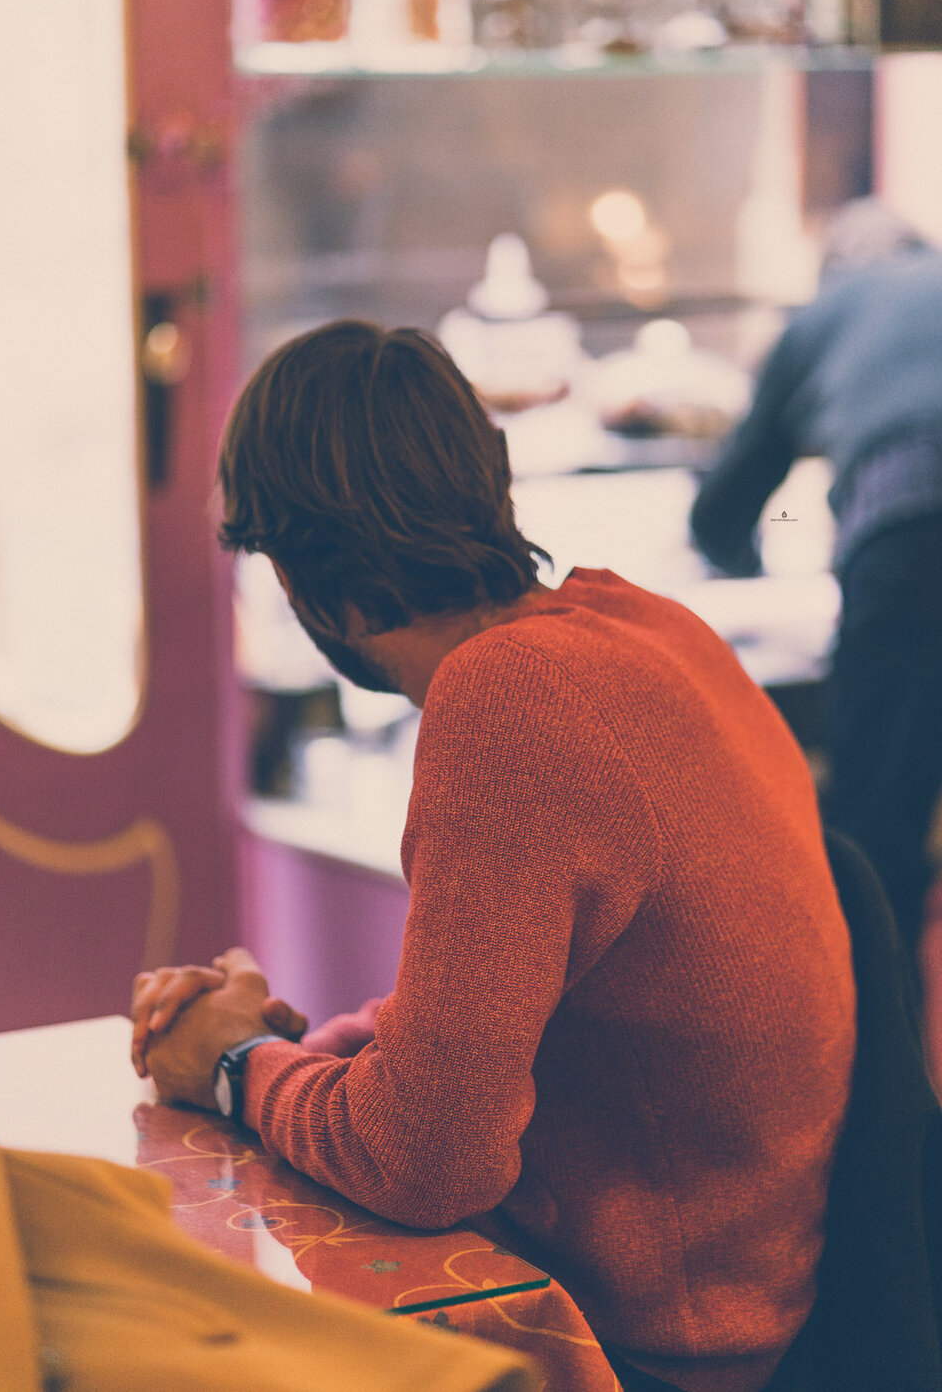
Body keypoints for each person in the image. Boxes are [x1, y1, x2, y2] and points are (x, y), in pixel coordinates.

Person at [131, 321, 855, 1392]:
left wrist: (231, 1068)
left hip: (649, 1343)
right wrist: (294, 1046)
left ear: (306, 580)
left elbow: (425, 1163)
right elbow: (511, 1017)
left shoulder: (504, 702)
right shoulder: (644, 624)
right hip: (765, 1280)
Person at [690, 198, 942, 968]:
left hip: (912, 529)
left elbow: (722, 511)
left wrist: (746, 562)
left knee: (874, 836)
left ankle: (885, 1076)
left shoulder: (822, 315)